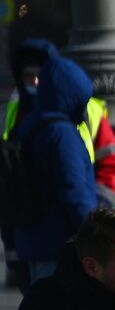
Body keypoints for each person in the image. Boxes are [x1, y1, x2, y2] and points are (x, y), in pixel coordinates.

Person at [5, 38, 115, 207]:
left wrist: (100, 202)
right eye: (28, 76)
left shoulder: (89, 110)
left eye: (39, 75)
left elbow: (112, 163)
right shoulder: (12, 112)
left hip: (77, 206)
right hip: (31, 215)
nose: (34, 82)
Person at [11, 55, 99, 289]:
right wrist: (100, 234)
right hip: (61, 245)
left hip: (33, 241)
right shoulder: (62, 134)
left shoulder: (31, 126)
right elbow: (74, 192)